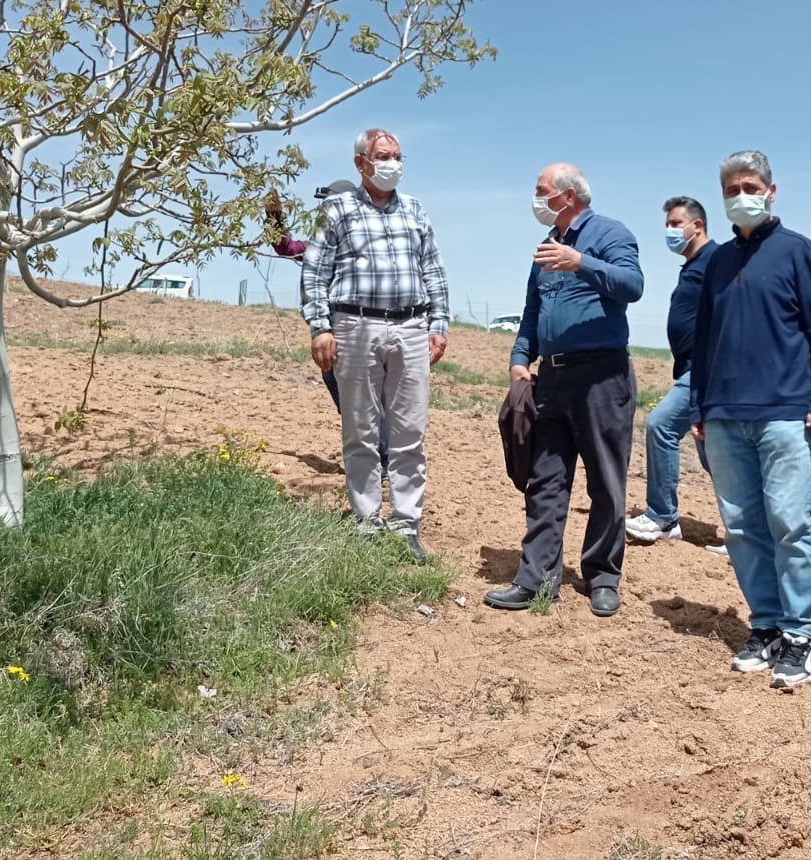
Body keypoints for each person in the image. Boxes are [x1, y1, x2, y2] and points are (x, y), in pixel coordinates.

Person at [689, 151, 811, 690]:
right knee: (740, 526)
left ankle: (801, 633)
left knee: (790, 522)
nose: (741, 195)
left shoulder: (798, 252)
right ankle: (766, 625)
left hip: (785, 412)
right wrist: (698, 404)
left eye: (750, 185)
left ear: (772, 190)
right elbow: (704, 338)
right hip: (725, 414)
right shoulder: (717, 261)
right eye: (732, 188)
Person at [485, 164, 644, 618]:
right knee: (546, 478)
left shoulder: (611, 234)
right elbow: (532, 313)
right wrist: (520, 357)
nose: (535, 200)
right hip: (550, 380)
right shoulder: (545, 250)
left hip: (601, 377)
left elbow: (633, 286)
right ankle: (536, 579)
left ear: (568, 195)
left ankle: (602, 576)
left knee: (606, 483)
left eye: (541, 191)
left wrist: (582, 263)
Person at [300, 129, 449, 561]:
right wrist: (320, 327)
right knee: (361, 430)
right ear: (361, 163)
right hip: (355, 325)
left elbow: (433, 269)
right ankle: (366, 522)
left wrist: (438, 323)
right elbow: (314, 271)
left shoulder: (415, 210)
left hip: (411, 327)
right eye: (383, 157)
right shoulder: (337, 209)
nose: (393, 165)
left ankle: (406, 524)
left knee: (409, 433)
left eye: (398, 157)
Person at [266, 180, 391, 476]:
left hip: (360, 336)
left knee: (368, 403)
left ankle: (384, 463)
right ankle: (371, 461)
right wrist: (274, 218)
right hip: (330, 340)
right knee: (350, 405)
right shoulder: (321, 247)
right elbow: (286, 247)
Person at [625, 196, 727, 555]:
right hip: (690, 370)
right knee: (715, 454)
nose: (669, 231)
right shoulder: (693, 264)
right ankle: (748, 533)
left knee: (661, 425)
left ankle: (663, 518)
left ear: (696, 225)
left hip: (706, 372)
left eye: (674, 223)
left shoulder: (716, 260)